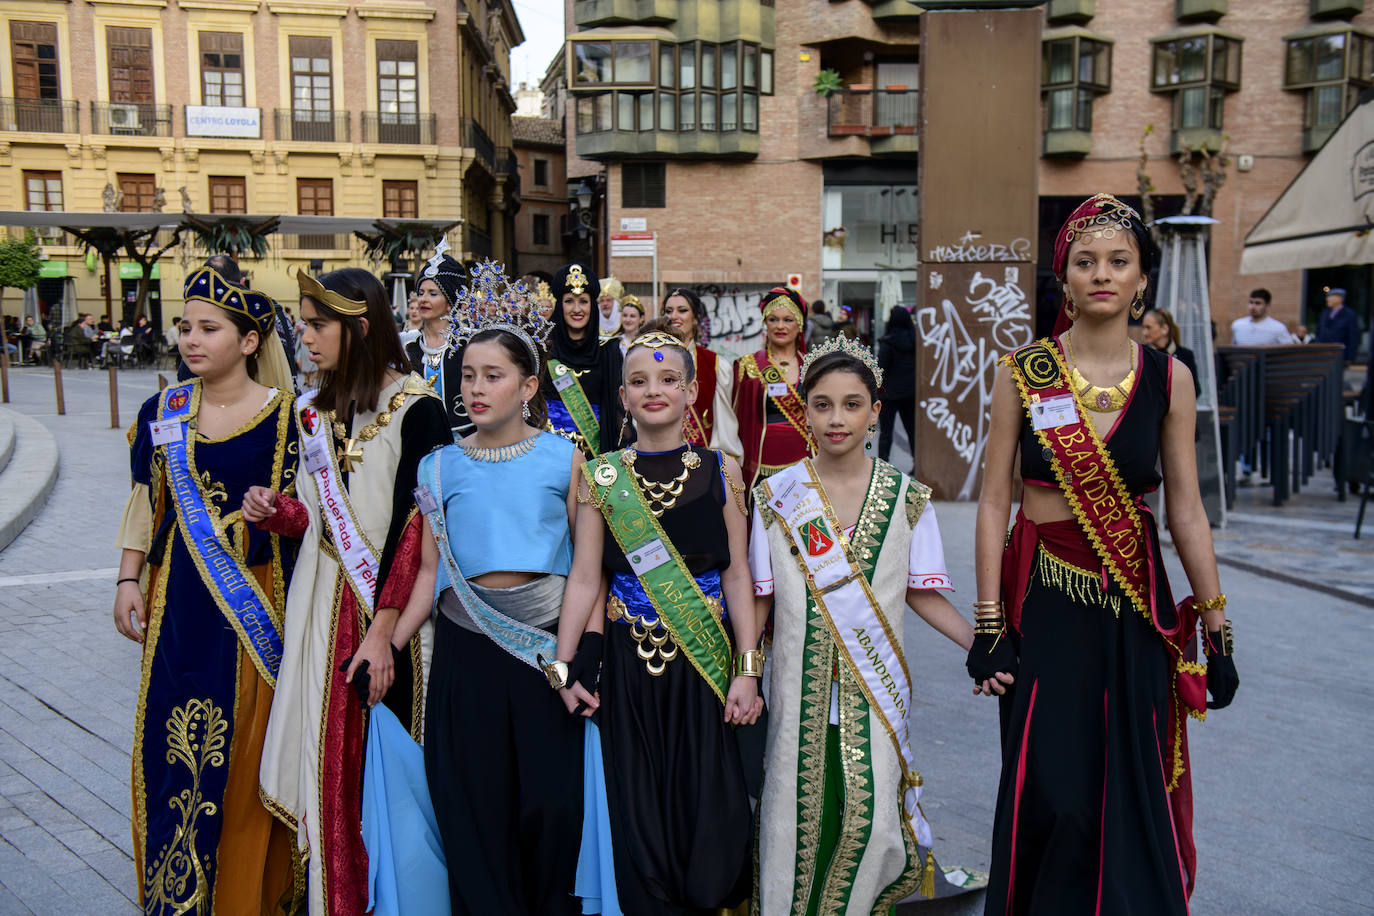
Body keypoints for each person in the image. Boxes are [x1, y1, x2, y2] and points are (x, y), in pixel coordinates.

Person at [972, 194, 1239, 915]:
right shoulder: (1022, 371)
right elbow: (994, 501)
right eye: (1085, 261)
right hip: (1045, 599)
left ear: (1141, 278)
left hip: (1134, 604)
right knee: (1054, 785)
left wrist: (1218, 627)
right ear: (1064, 277)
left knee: (1132, 778)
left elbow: (1186, 509)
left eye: (1119, 261)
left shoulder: (1170, 377)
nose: (1101, 274)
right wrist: (989, 624)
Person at [749, 337, 972, 914]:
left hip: (874, 690)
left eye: (852, 404)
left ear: (876, 411)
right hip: (798, 689)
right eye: (822, 404)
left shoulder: (907, 498)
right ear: (803, 411)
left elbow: (921, 592)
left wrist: (982, 646)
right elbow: (760, 600)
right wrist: (746, 673)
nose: (836, 419)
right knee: (792, 818)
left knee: (870, 822)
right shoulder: (776, 496)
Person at [257, 266, 453, 916]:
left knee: (388, 774)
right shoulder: (312, 412)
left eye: (318, 326)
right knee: (328, 769)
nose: (305, 338)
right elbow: (314, 519)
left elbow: (414, 530)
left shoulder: (419, 408)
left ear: (360, 328)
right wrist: (277, 511)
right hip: (321, 611)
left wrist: (382, 635)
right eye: (304, 325)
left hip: (394, 623)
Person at [114, 264, 301, 913]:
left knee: (248, 746)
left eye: (209, 328)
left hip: (255, 601)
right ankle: (179, 896)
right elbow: (147, 501)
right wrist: (128, 577)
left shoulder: (289, 419)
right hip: (177, 601)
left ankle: (246, 896)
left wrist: (275, 512)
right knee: (172, 741)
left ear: (249, 341)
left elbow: (309, 519)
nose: (191, 339)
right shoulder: (163, 411)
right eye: (185, 326)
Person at [557, 328, 762, 916]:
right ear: (622, 395)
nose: (654, 390)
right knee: (636, 799)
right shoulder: (600, 476)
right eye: (639, 381)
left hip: (703, 662)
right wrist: (564, 667)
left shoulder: (723, 470)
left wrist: (747, 670)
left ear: (692, 392)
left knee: (707, 799)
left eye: (669, 379)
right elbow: (585, 578)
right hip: (627, 662)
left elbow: (738, 575)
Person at [411, 262, 586, 914]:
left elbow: (588, 568)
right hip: (465, 651)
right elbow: (427, 573)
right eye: (468, 376)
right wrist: (385, 640)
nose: (476, 389)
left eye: (493, 375)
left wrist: (578, 655)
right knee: (473, 803)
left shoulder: (567, 459)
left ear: (528, 386)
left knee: (552, 804)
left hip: (543, 650)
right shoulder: (438, 465)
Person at [733, 287, 815, 489]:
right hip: (760, 461)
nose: (780, 326)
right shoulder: (747, 366)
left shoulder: (814, 367)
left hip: (806, 459)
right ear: (765, 323)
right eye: (773, 319)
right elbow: (735, 420)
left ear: (800, 324)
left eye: (788, 320)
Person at [541, 262, 624, 456]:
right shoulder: (543, 350)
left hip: (595, 456)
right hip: (548, 453)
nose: (576, 309)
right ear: (560, 306)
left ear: (592, 306)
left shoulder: (609, 351)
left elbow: (618, 411)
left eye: (583, 301)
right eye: (569, 301)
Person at [662, 288, 743, 458]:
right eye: (668, 311)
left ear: (696, 318)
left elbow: (724, 429)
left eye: (682, 310)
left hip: (701, 461)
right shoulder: (650, 359)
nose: (674, 316)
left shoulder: (715, 365)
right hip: (658, 456)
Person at [404, 246, 473, 439]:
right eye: (421, 292)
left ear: (450, 301)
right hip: (419, 440)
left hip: (467, 441)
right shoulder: (407, 345)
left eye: (433, 293)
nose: (423, 300)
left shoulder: (471, 344)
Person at [877, 305, 917, 466]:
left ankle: (882, 465)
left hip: (889, 394)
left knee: (886, 432)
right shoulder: (915, 342)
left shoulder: (887, 343)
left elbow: (881, 369)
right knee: (912, 431)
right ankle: (917, 464)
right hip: (910, 393)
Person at [1141, 308, 1200, 397]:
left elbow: (1195, 390)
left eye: (1148, 327)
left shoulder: (1185, 355)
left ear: (1164, 329)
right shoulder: (1142, 355)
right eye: (1143, 327)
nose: (1144, 332)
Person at [1317, 287, 1361, 364]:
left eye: (1330, 297)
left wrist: (1350, 357)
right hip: (1322, 354)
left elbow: (1353, 337)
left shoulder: (1349, 314)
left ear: (1339, 299)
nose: (1327, 299)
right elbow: (1319, 331)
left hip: (1339, 355)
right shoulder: (1325, 313)